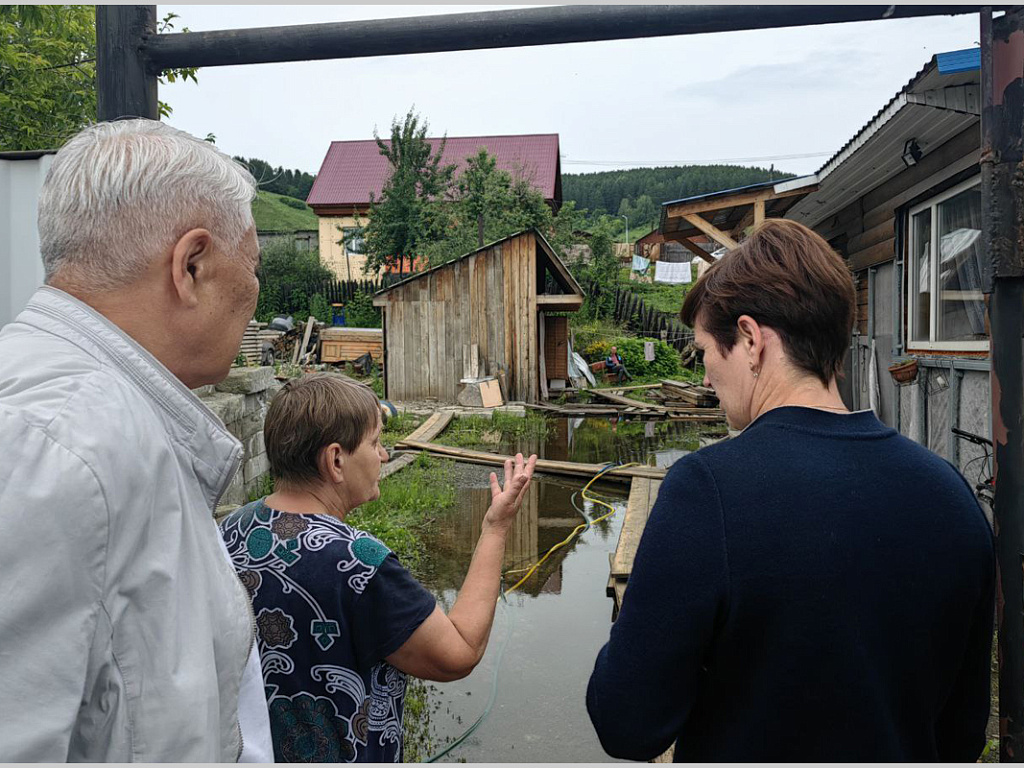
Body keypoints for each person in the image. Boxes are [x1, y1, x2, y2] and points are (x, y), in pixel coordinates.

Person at [586, 219, 994, 761]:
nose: (705, 375)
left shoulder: (708, 490)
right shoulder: (951, 496)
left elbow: (627, 723)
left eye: (707, 350)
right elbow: (963, 734)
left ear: (751, 341)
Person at [0, 120, 273, 761]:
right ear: (193, 265)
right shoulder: (54, 444)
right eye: (253, 267)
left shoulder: (102, 422)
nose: (256, 296)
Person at [220, 373, 537, 762]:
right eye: (375, 442)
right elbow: (459, 652)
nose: (384, 455)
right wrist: (496, 528)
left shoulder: (232, 529)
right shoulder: (358, 561)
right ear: (336, 460)